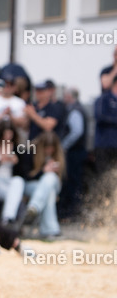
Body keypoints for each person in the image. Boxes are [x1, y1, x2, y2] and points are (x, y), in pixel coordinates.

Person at [58, 87, 87, 220]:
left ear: (70, 97)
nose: (64, 99)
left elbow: (77, 131)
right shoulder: (76, 108)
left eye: (65, 96)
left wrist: (64, 145)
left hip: (74, 153)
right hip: (76, 151)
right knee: (73, 181)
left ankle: (72, 212)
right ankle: (72, 211)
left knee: (72, 182)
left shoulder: (75, 110)